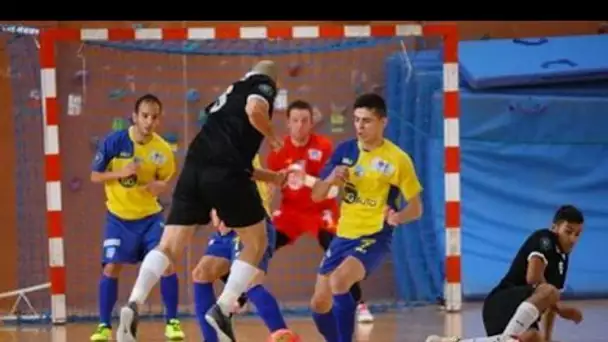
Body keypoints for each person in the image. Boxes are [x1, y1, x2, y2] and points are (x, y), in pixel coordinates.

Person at [116, 60, 284, 342]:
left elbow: (230, 148)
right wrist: (273, 136)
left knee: (168, 246)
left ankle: (134, 302)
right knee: (257, 242)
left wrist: (273, 178)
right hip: (226, 171)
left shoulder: (229, 92)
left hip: (194, 166)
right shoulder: (262, 86)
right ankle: (224, 307)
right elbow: (255, 110)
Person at [309, 93, 424, 342]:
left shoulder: (398, 160)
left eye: (367, 121)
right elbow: (317, 196)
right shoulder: (345, 151)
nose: (360, 126)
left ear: (383, 122)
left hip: (374, 236)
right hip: (343, 235)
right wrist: (330, 179)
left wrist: (398, 217)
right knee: (319, 303)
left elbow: (416, 208)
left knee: (339, 281)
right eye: (357, 120)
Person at [89, 94, 184, 341]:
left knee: (167, 264)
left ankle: (172, 322)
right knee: (111, 267)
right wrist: (120, 173)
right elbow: (95, 176)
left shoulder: (162, 150)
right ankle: (103, 326)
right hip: (118, 217)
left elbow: (165, 180)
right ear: (135, 116)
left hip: (150, 218)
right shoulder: (114, 142)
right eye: (145, 116)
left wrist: (159, 187)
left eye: (154, 117)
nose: (149, 121)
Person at [425, 205, 584, 342]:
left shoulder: (563, 259)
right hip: (503, 302)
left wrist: (547, 338)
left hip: (520, 315)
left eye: (577, 234)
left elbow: (550, 304)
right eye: (568, 231)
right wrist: (561, 308)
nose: (572, 239)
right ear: (555, 228)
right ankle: (506, 338)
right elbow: (533, 278)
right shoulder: (545, 239)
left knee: (534, 338)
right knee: (549, 291)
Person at [193, 154, 291, 341]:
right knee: (202, 273)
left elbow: (244, 173)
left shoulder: (239, 139)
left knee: (251, 281)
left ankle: (282, 334)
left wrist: (274, 178)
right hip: (229, 225)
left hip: (250, 221)